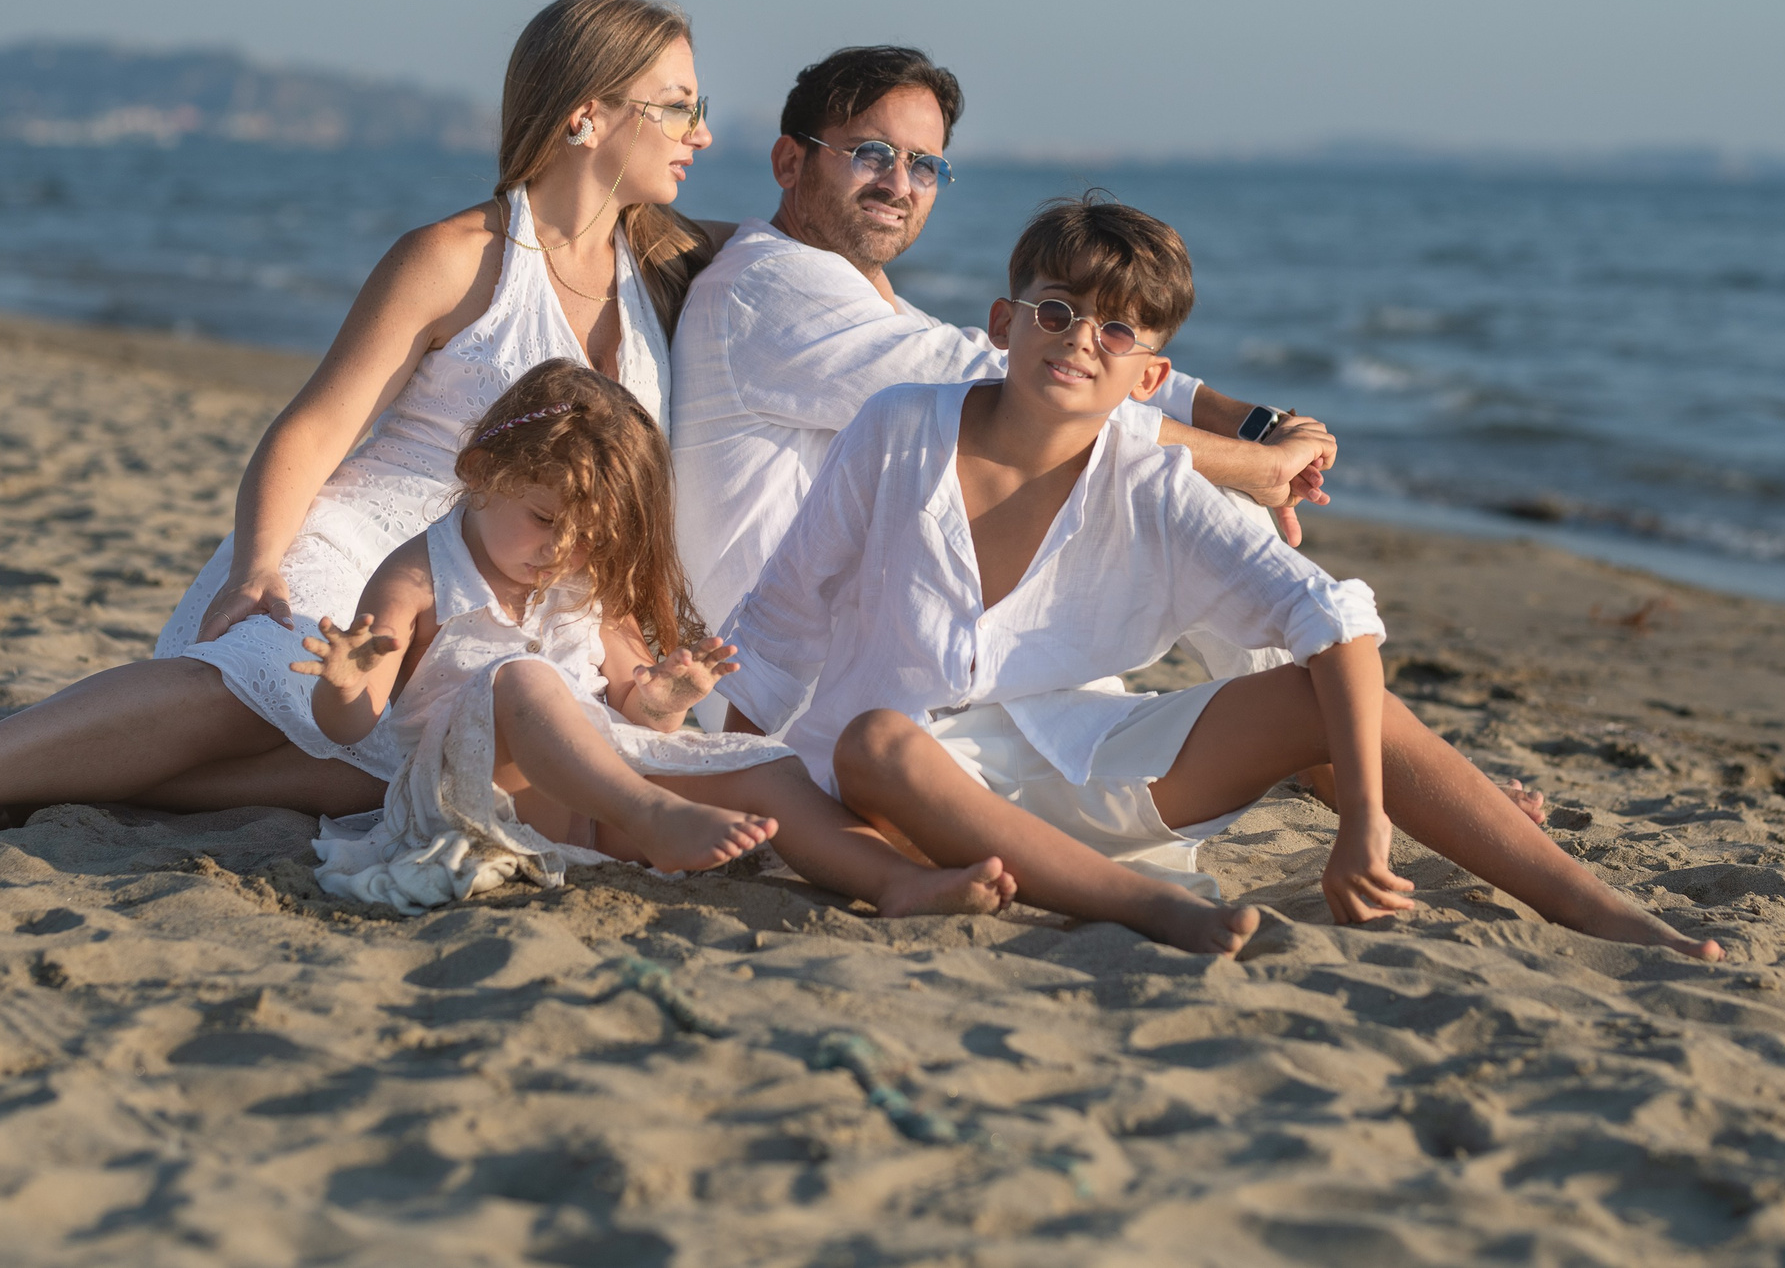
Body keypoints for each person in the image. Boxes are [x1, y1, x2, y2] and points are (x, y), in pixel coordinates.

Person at [0, 0, 729, 842]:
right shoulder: (457, 257)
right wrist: (256, 572)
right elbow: (316, 427)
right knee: (255, 689)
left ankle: (77, 785)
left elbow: (805, 266)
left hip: (520, 586)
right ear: (587, 112)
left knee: (403, 776)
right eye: (679, 103)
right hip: (373, 549)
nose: (703, 132)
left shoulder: (667, 271)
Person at [717, 196, 1722, 962]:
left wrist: (1362, 820)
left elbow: (1331, 621)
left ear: (1149, 378)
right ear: (1002, 321)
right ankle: (1152, 912)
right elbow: (784, 620)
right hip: (912, 793)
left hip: (1088, 764)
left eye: (1116, 332)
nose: (1078, 341)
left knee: (1321, 694)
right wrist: (721, 769)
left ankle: (1593, 907)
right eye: (1058, 312)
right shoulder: (898, 427)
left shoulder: (1153, 478)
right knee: (875, 740)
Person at [669, 45, 1336, 701]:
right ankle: (1317, 712)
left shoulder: (857, 297)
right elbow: (1028, 386)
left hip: (888, 650)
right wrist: (1259, 467)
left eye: (923, 165)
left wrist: (1245, 422)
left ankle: (1314, 708)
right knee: (1173, 487)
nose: (899, 184)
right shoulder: (771, 286)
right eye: (871, 153)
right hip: (804, 687)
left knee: (1175, 493)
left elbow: (1031, 363)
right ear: (791, 160)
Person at [294, 359, 1015, 918]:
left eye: (589, 538)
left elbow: (635, 718)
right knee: (520, 677)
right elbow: (353, 728)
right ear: (483, 471)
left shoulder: (582, 586)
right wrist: (347, 682)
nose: (562, 551)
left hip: (592, 807)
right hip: (481, 800)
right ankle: (657, 818)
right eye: (545, 519)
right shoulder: (418, 576)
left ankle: (899, 881)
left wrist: (665, 700)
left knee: (766, 769)